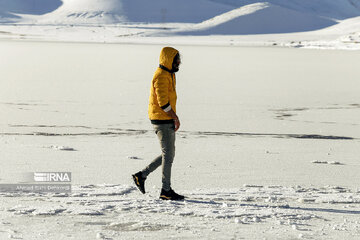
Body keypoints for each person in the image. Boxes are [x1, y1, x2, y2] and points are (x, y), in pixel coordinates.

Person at [132, 47, 184, 201]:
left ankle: (141, 176)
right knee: (168, 155)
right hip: (162, 119)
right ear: (169, 61)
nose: (179, 63)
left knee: (168, 154)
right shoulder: (161, 76)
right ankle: (165, 190)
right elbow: (163, 103)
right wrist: (174, 117)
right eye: (177, 60)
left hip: (164, 118)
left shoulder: (168, 74)